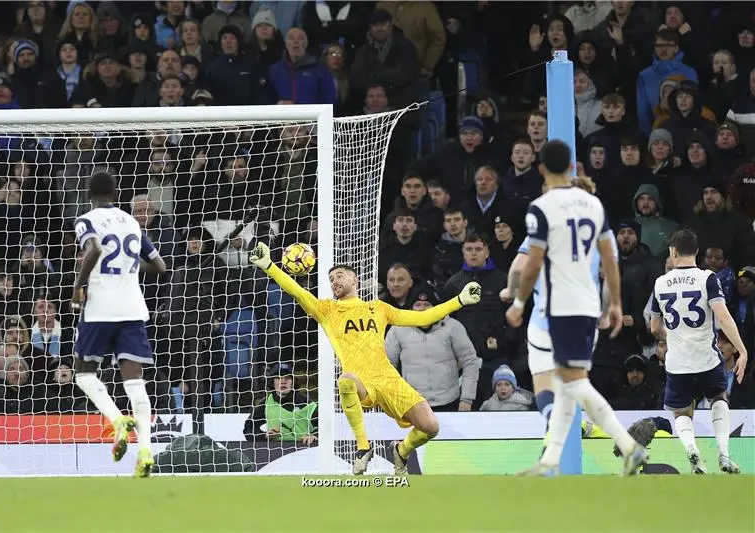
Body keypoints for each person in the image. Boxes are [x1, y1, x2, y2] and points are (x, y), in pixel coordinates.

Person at [247, 241, 481, 475]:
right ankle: (362, 447)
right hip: (362, 382)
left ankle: (401, 450)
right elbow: (297, 291)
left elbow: (423, 317)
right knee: (345, 380)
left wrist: (458, 300)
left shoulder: (378, 308)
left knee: (430, 427)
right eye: (331, 280)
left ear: (354, 280)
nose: (334, 282)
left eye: (339, 276)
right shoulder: (327, 310)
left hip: (389, 379)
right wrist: (269, 265)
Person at [506, 140, 647, 476]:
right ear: (571, 166)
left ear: (541, 168)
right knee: (569, 387)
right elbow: (610, 259)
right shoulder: (594, 205)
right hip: (587, 306)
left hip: (558, 308)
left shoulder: (541, 207)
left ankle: (628, 445)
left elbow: (531, 263)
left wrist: (519, 302)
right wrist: (614, 303)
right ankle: (550, 460)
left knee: (572, 383)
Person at [69, 171, 167, 478]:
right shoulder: (132, 223)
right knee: (134, 381)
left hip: (99, 308)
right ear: (116, 193)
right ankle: (147, 452)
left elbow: (95, 249)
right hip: (132, 307)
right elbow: (161, 266)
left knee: (84, 373)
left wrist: (78, 285)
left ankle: (116, 420)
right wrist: (130, 267)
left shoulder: (86, 220)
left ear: (89, 195)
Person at [501, 174, 610, 439]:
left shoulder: (545, 225)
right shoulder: (598, 228)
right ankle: (595, 427)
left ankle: (554, 417)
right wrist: (605, 312)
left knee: (543, 379)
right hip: (584, 317)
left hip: (546, 318)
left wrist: (514, 296)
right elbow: (609, 274)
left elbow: (520, 268)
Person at [649, 229, 748, 474]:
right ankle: (724, 454)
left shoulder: (660, 283)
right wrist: (742, 350)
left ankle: (692, 449)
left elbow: (653, 327)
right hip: (706, 357)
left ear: (673, 252)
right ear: (697, 251)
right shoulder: (707, 278)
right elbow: (723, 317)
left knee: (681, 410)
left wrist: (671, 339)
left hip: (677, 361)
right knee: (718, 398)